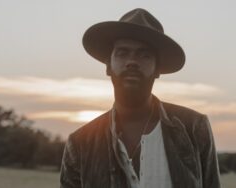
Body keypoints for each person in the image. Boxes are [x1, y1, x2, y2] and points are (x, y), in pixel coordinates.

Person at [60, 8, 221, 188]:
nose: (132, 61)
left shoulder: (193, 128)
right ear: (108, 66)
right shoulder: (81, 142)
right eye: (122, 53)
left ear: (157, 70)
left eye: (144, 54)